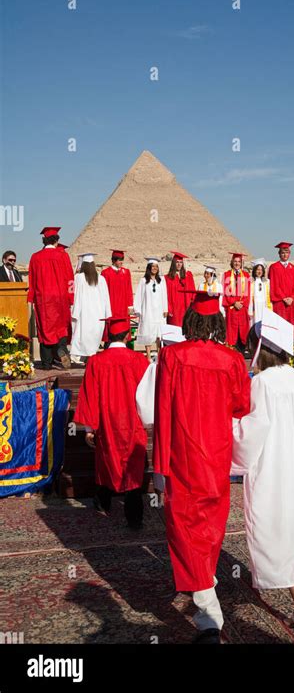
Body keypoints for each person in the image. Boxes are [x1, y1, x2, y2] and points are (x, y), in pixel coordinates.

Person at [152, 290, 250, 644]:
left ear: (190, 321)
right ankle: (205, 580)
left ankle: (207, 603)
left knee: (183, 525)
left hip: (181, 452)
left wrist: (159, 463)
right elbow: (241, 405)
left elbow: (163, 410)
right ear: (219, 322)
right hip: (217, 453)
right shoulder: (233, 359)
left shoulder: (172, 356)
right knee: (211, 520)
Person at [232, 309, 294, 628]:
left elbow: (252, 429)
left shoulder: (260, 383)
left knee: (267, 527)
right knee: (288, 527)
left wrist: (229, 429)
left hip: (269, 468)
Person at [74, 316, 149, 529]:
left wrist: (90, 429)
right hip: (133, 423)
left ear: (108, 335)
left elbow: (90, 395)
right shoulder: (139, 361)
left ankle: (102, 504)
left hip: (107, 424)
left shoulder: (96, 362)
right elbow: (148, 395)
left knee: (106, 463)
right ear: (128, 335)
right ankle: (134, 518)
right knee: (133, 469)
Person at [27, 227, 74, 370]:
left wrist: (32, 298)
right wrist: (70, 297)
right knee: (61, 327)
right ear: (56, 241)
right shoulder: (62, 255)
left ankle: (47, 363)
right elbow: (70, 279)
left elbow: (32, 280)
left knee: (45, 329)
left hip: (43, 300)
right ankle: (61, 350)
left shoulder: (35, 257)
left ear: (44, 240)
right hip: (60, 298)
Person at [70, 253, 111, 361]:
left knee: (83, 336)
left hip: (84, 313)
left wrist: (74, 311)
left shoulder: (78, 278)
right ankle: (90, 357)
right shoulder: (101, 279)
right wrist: (108, 314)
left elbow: (74, 295)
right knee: (93, 337)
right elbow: (106, 298)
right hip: (98, 314)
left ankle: (85, 358)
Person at [134, 257, 169, 362]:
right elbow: (139, 296)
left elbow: (164, 295)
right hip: (148, 310)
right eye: (153, 266)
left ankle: (159, 353)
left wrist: (165, 308)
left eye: (156, 267)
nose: (155, 268)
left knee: (159, 333)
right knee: (148, 332)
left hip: (159, 311)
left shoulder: (161, 280)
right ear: (149, 268)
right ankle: (148, 355)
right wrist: (138, 310)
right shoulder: (143, 281)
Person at [101, 250, 133, 345]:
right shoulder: (105, 273)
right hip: (111, 306)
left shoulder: (126, 272)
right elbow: (103, 292)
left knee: (123, 328)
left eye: (122, 259)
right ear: (114, 260)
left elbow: (129, 289)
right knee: (111, 329)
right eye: (120, 260)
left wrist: (130, 306)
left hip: (123, 306)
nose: (121, 262)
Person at [222, 252, 251, 353]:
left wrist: (242, 304)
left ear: (241, 263)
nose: (237, 263)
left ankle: (242, 353)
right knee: (231, 334)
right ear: (232, 262)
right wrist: (234, 302)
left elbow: (247, 293)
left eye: (239, 261)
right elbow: (226, 292)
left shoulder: (246, 275)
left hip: (242, 309)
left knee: (242, 333)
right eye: (235, 261)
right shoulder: (226, 275)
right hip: (232, 309)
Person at [268, 242, 294, 329]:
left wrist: (292, 297)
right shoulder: (274, 267)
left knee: (290, 325)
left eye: (287, 252)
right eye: (282, 252)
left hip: (291, 303)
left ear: (289, 253)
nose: (285, 254)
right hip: (279, 303)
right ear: (279, 254)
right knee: (279, 325)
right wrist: (283, 298)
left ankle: (290, 343)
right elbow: (274, 284)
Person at [165, 250, 195, 327]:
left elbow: (193, 292)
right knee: (174, 330)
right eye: (177, 262)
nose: (179, 264)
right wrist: (169, 309)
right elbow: (166, 295)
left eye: (180, 262)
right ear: (173, 263)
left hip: (185, 308)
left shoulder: (187, 276)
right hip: (174, 310)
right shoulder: (167, 278)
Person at [249, 259, 272, 326]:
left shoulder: (267, 282)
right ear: (255, 270)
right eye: (258, 269)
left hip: (264, 306)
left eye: (261, 270)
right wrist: (250, 310)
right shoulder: (251, 281)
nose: (259, 271)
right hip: (255, 306)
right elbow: (250, 297)